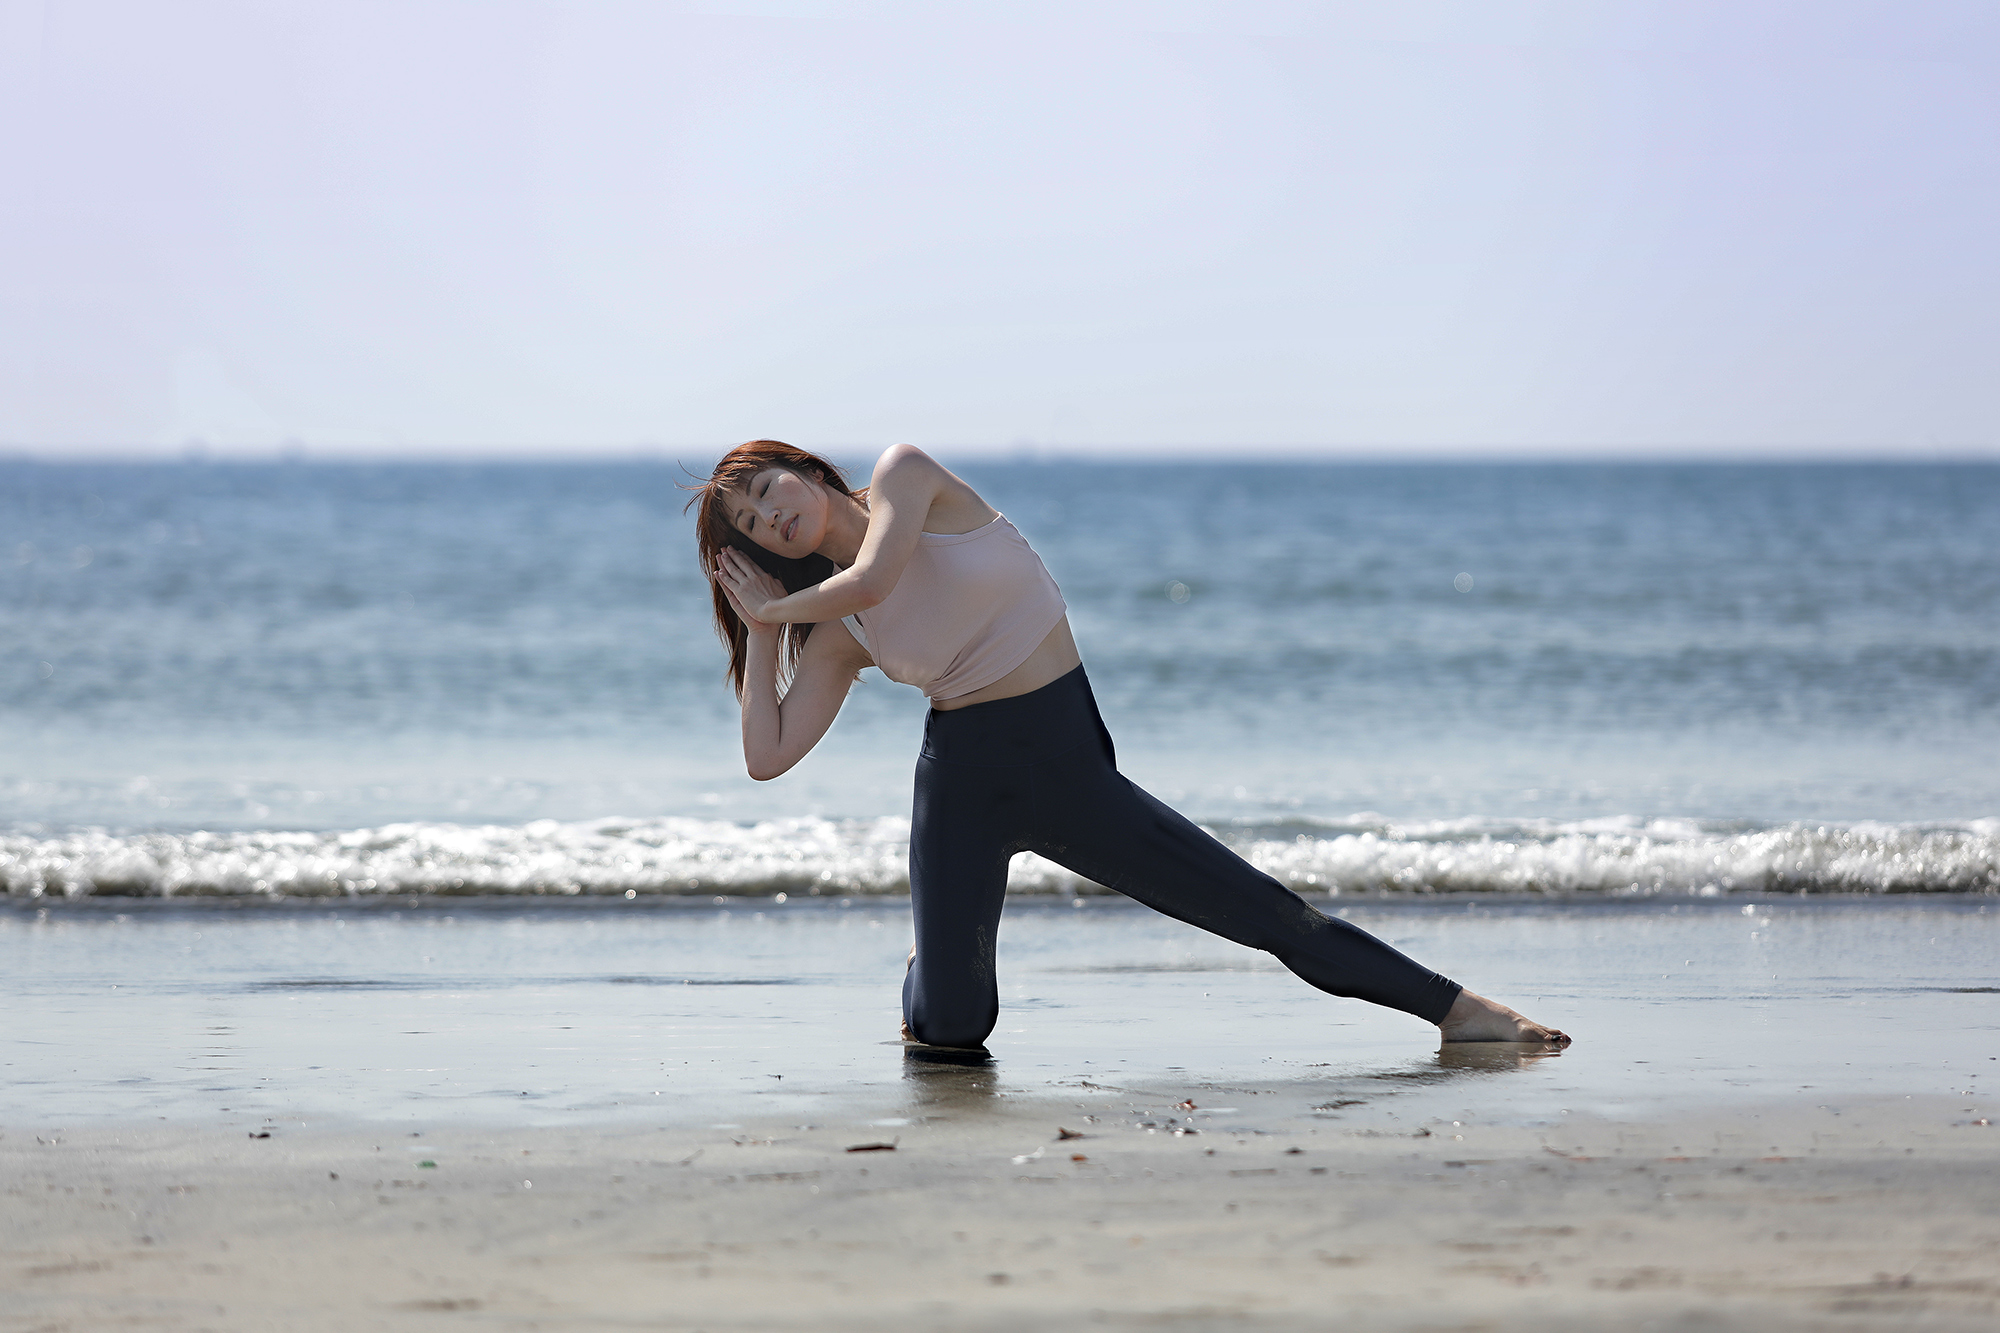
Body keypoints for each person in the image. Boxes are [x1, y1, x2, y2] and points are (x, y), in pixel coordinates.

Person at [693, 440, 1570, 1052]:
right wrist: (762, 630)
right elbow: (767, 757)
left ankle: (1457, 1009)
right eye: (754, 527)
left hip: (1063, 757)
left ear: (806, 471)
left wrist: (774, 608)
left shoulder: (904, 476)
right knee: (955, 1030)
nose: (772, 517)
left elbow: (882, 571)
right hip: (961, 775)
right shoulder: (833, 623)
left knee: (1255, 909)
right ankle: (926, 975)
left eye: (770, 490)